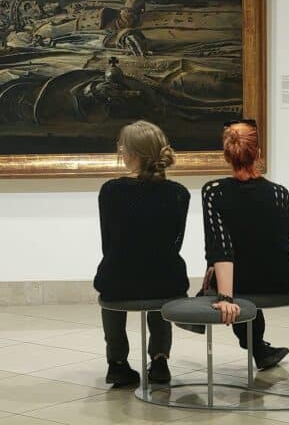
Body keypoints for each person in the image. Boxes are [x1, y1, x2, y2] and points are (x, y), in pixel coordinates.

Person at [94, 120, 190, 388]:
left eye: (122, 147)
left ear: (132, 154)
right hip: (165, 278)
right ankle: (160, 361)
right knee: (164, 279)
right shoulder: (178, 194)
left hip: (119, 279)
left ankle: (117, 363)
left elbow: (108, 242)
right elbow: (176, 241)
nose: (120, 152)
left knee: (111, 285)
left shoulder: (111, 190)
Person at [201, 120, 289, 369]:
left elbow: (219, 245)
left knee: (234, 282)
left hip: (239, 280)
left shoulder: (214, 191)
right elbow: (278, 243)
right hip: (281, 278)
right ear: (257, 152)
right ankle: (260, 349)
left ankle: (257, 347)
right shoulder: (280, 192)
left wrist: (224, 294)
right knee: (247, 271)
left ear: (226, 155)